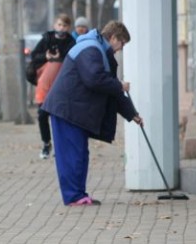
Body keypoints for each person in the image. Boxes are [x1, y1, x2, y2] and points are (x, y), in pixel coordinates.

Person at [42, 21, 143, 206]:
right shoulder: (90, 49)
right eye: (122, 43)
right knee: (72, 154)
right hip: (67, 110)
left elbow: (109, 88)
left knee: (79, 153)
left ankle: (79, 195)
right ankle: (74, 196)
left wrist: (131, 113)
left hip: (73, 110)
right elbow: (94, 79)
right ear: (113, 38)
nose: (120, 49)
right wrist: (120, 85)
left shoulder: (99, 51)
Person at [30, 13, 76, 159]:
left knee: (60, 117)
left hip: (62, 86)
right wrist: (47, 57)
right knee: (43, 115)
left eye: (64, 25)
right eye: (59, 25)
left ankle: (60, 145)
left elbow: (73, 59)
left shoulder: (71, 42)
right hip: (45, 84)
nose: (61, 28)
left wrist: (60, 58)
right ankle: (46, 143)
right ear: (55, 25)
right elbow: (34, 56)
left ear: (69, 27)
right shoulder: (47, 39)